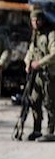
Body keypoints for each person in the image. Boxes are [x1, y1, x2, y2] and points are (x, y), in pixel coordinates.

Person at [24, 9, 55, 142]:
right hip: (36, 76)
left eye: (38, 20)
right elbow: (30, 51)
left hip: (49, 74)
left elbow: (53, 54)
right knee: (34, 101)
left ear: (43, 20)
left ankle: (50, 131)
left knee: (50, 103)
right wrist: (27, 62)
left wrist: (39, 63)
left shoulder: (51, 34)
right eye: (33, 20)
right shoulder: (35, 35)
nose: (35, 23)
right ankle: (37, 130)